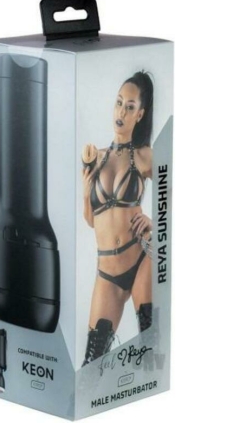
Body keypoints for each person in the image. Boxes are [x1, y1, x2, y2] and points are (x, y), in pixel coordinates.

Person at [81, 70, 154, 367]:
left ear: (140, 114)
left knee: (151, 348)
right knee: (91, 366)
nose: (121, 112)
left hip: (141, 258)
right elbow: (91, 220)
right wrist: (85, 189)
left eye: (130, 106)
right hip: (107, 274)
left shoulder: (144, 156)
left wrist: (155, 221)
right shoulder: (96, 157)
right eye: (119, 102)